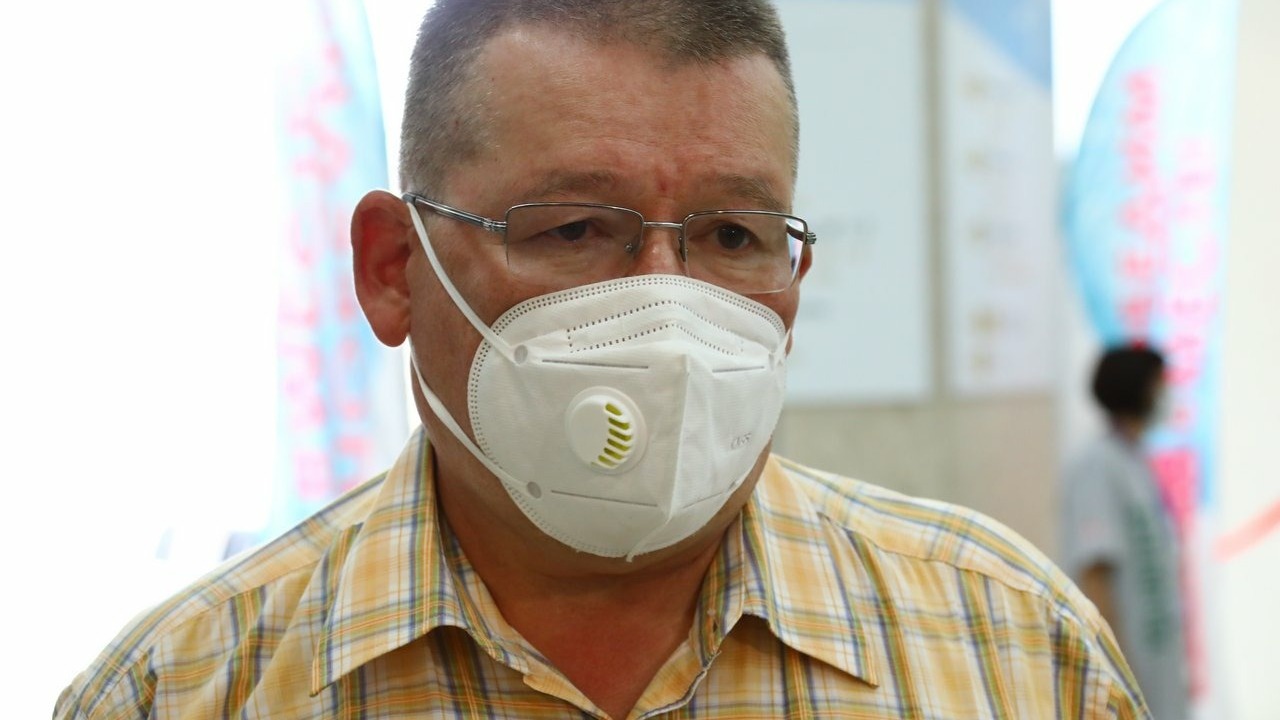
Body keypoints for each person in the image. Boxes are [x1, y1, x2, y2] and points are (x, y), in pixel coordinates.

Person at [56, 1, 1149, 717]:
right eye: (575, 228)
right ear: (394, 268)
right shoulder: (187, 689)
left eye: (733, 236)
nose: (665, 309)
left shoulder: (1014, 653)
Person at [1061, 345, 1188, 720]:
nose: (1166, 396)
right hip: (1128, 683)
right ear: (1139, 389)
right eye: (1160, 386)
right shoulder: (1097, 466)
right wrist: (1114, 680)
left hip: (1158, 667)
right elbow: (1095, 573)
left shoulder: (1135, 462)